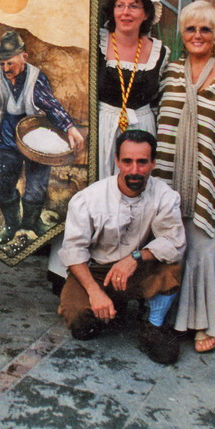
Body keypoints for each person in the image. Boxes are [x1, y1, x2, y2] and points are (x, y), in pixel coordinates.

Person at [155, 0, 215, 354]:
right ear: (182, 34)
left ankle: (204, 322)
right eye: (191, 29)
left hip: (209, 177)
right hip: (164, 175)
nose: (198, 35)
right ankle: (165, 318)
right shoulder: (168, 72)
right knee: (169, 246)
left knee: (200, 246)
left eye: (206, 30)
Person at [59, 129, 185, 364]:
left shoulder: (164, 195)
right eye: (127, 161)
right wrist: (94, 291)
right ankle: (110, 302)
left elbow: (174, 242)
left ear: (153, 163)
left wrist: (134, 258)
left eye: (142, 162)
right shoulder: (89, 198)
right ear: (117, 160)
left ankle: (153, 326)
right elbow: (74, 251)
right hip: (95, 271)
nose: (134, 170)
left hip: (135, 268)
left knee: (171, 267)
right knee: (80, 324)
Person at [0, 30, 85, 243]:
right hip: (9, 132)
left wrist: (69, 127)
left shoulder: (36, 78)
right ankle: (11, 224)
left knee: (36, 184)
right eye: (3, 64)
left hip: (36, 131)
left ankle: (32, 222)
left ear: (24, 58)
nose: (6, 69)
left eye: (10, 63)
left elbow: (51, 105)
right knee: (4, 183)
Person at [97, 0, 169, 178]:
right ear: (112, 12)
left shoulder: (159, 52)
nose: (126, 12)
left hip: (142, 126)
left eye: (134, 6)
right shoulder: (97, 44)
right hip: (104, 126)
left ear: (145, 14)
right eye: (120, 5)